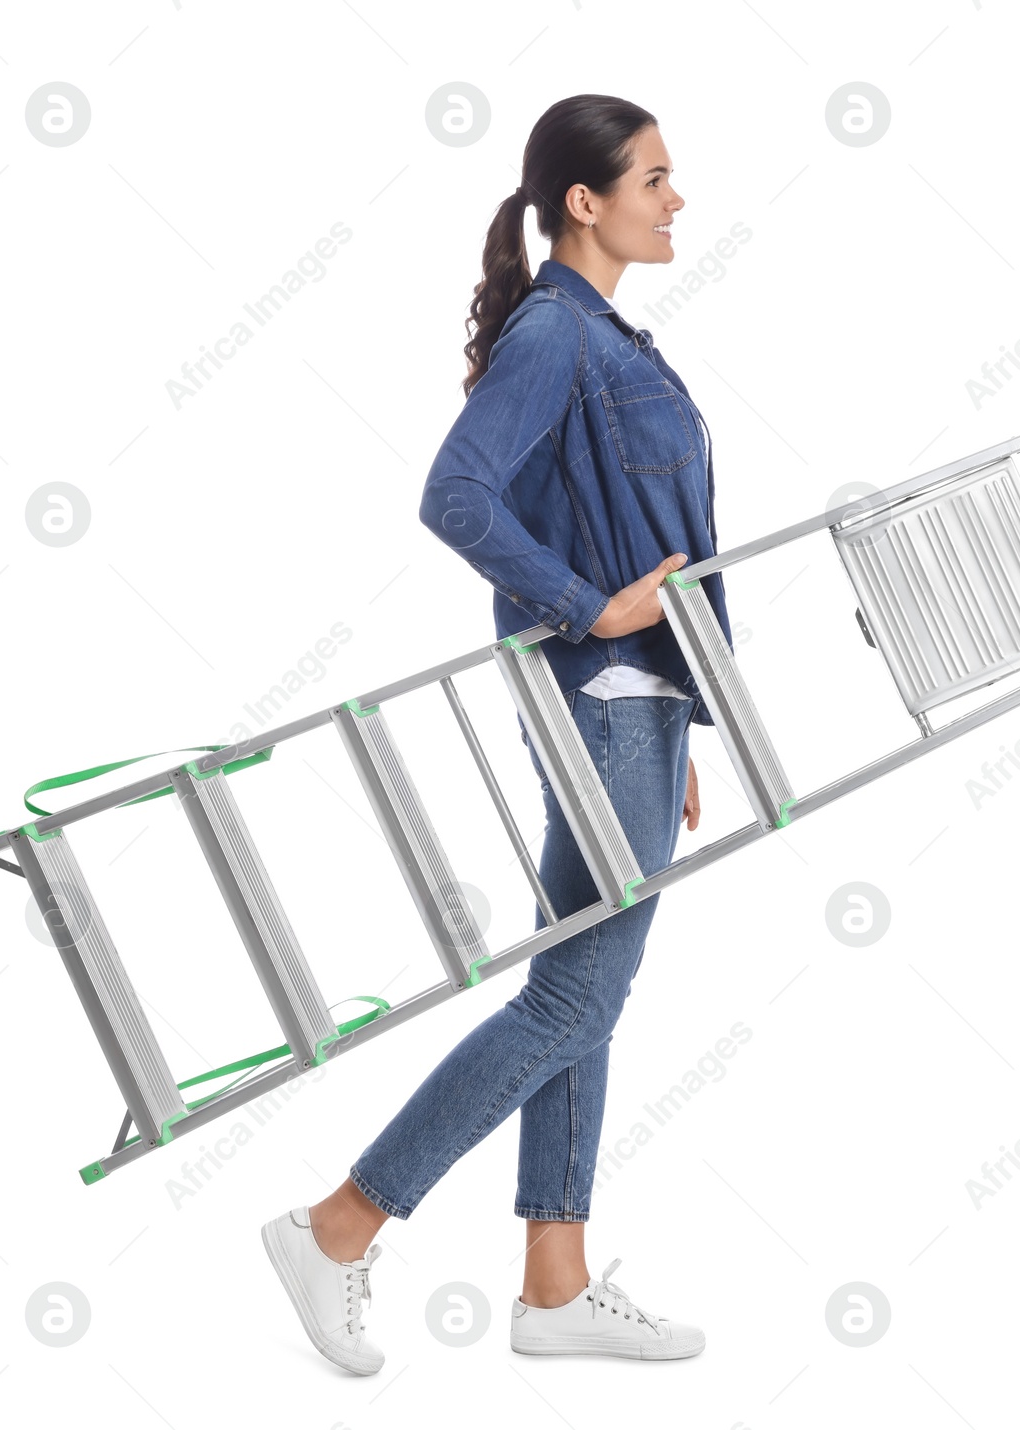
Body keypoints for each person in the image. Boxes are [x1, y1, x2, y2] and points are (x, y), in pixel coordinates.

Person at [260, 93, 733, 1373]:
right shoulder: (556, 339)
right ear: (586, 201)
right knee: (578, 992)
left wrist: (686, 711)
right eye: (655, 177)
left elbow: (648, 537)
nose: (675, 197)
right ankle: (339, 1224)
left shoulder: (607, 336)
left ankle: (554, 1279)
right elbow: (453, 493)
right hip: (601, 694)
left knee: (582, 990)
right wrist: (593, 611)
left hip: (639, 704)